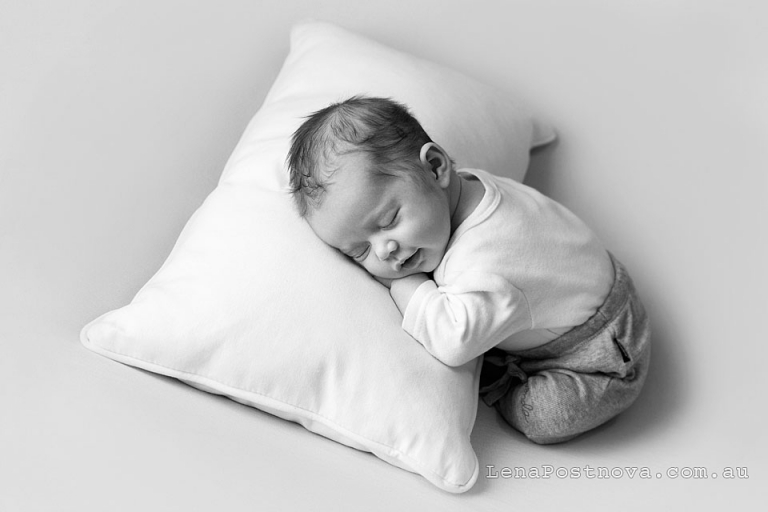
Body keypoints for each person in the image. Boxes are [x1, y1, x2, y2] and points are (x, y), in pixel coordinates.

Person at [287, 95, 650, 444]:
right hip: (595, 278)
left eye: (389, 219)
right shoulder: (469, 187)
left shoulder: (484, 260)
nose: (385, 251)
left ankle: (516, 379)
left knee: (543, 415)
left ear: (435, 168)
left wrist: (405, 285)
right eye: (359, 250)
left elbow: (453, 341)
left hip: (600, 352)